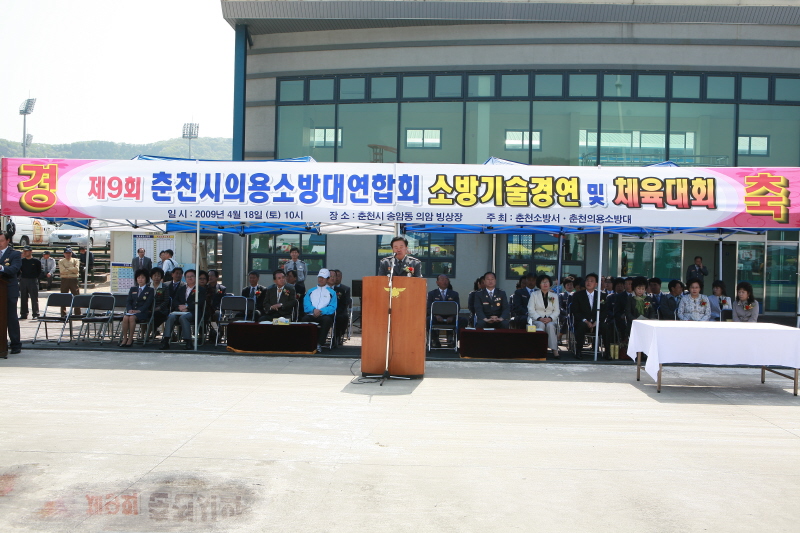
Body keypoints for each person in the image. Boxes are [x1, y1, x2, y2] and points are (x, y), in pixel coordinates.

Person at [161, 269, 205, 350]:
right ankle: (166, 340)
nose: (190, 278)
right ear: (185, 278)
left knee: (183, 318)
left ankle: (188, 342)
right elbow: (175, 301)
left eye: (192, 276)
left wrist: (187, 307)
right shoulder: (181, 288)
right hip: (180, 311)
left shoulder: (201, 289)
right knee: (170, 316)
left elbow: (200, 302)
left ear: (196, 277)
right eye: (188, 277)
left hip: (194, 312)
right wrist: (179, 307)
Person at [300, 269, 337, 353]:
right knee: (304, 319)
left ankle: (319, 344)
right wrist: (313, 310)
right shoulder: (310, 291)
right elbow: (306, 304)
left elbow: (332, 307)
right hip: (311, 314)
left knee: (327, 320)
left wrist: (321, 311)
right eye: (320, 277)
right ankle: (305, 342)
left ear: (327, 279)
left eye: (323, 278)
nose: (321, 279)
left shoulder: (332, 293)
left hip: (324, 315)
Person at [571, 273, 605, 360]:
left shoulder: (601, 295)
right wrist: (586, 321)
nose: (589, 283)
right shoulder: (578, 295)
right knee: (581, 326)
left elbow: (604, 311)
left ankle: (607, 353)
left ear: (596, 284)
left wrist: (596, 321)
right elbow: (575, 311)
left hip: (596, 322)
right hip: (583, 321)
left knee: (606, 326)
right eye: (587, 280)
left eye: (591, 281)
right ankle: (579, 351)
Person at [118, 269, 154, 347]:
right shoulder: (133, 289)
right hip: (132, 311)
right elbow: (129, 301)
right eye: (138, 278)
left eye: (142, 277)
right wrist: (130, 309)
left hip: (143, 312)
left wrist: (139, 310)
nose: (140, 279)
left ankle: (131, 338)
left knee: (131, 318)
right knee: (125, 317)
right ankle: (125, 338)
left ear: (146, 279)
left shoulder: (150, 290)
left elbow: (148, 303)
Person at [0, 232, 22, 356]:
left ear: (8, 240)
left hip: (8, 290)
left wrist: (2, 268)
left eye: (1, 241)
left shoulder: (14, 254)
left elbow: (15, 269)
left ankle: (15, 344)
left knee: (11, 317)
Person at [528, 274, 560, 358]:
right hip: (537, 319)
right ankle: (540, 349)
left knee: (550, 326)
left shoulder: (554, 296)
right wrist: (539, 318)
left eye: (547, 282)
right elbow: (530, 309)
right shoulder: (534, 295)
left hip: (550, 319)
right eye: (543, 282)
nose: (545, 284)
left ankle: (554, 350)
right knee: (540, 325)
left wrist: (550, 318)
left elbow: (556, 310)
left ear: (550, 283)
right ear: (539, 284)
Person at [426, 274, 460, 347]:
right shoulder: (432, 294)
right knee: (428, 320)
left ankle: (453, 339)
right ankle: (434, 339)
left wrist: (452, 316)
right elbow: (429, 307)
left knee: (463, 321)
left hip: (450, 318)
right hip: (436, 317)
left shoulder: (454, 294)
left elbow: (457, 307)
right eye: (442, 280)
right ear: (437, 282)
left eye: (446, 279)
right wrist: (436, 316)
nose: (444, 281)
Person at [19, 246, 42, 319]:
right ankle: (24, 314)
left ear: (31, 251)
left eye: (26, 251)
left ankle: (35, 314)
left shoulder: (36, 261)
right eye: (24, 251)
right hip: (24, 280)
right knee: (23, 297)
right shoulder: (22, 261)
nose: (25, 252)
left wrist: (35, 277)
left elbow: (39, 271)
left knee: (34, 298)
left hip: (33, 280)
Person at [330, 269, 351, 344]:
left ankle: (338, 335)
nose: (336, 278)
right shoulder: (326, 288)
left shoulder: (344, 289)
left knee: (343, 317)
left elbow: (346, 302)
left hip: (340, 309)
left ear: (341, 277)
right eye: (333, 276)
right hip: (328, 310)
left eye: (337, 276)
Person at [58, 247, 81, 316]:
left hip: (73, 279)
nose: (68, 254)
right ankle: (63, 313)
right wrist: (71, 269)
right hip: (64, 279)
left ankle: (77, 313)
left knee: (76, 295)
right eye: (66, 253)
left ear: (71, 253)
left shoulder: (76, 260)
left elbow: (76, 269)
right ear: (64, 254)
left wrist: (67, 268)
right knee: (63, 296)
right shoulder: (61, 261)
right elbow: (62, 270)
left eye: (69, 253)